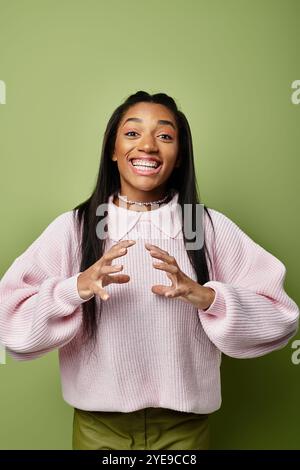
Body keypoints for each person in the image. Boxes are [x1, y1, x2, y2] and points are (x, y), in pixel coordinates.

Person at [0, 91, 299, 451]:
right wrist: (74, 288)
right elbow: (9, 321)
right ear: (112, 150)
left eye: (165, 136)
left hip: (185, 431)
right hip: (99, 430)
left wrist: (207, 297)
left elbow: (281, 316)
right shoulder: (81, 226)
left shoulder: (199, 226)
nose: (148, 146)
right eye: (132, 133)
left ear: (179, 156)